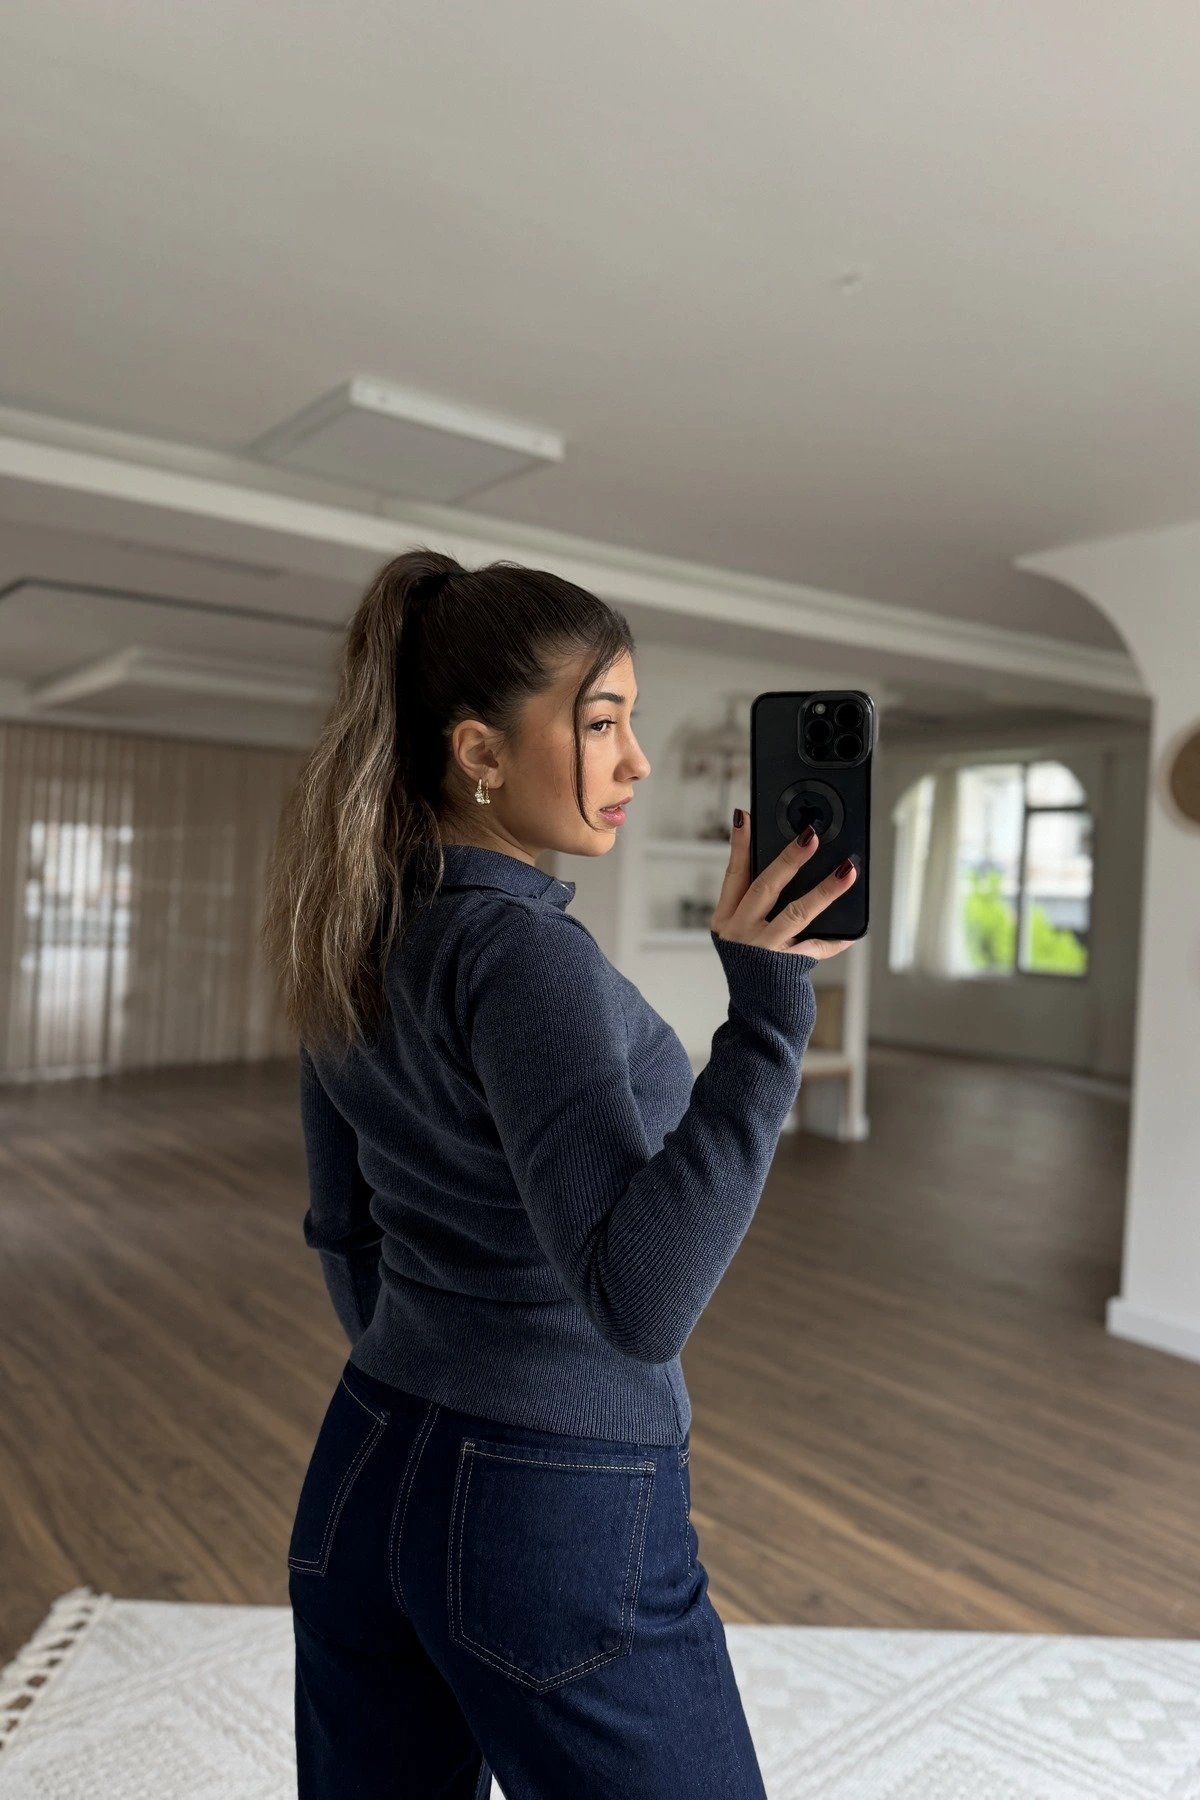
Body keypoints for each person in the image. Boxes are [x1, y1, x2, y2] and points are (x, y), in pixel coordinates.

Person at [261, 547, 859, 1799]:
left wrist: (443, 1374)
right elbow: (642, 1303)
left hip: (367, 1457)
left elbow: (346, 1228)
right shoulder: (525, 956)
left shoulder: (354, 922)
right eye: (600, 723)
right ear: (480, 751)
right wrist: (770, 1013)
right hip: (549, 1503)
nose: (635, 760)